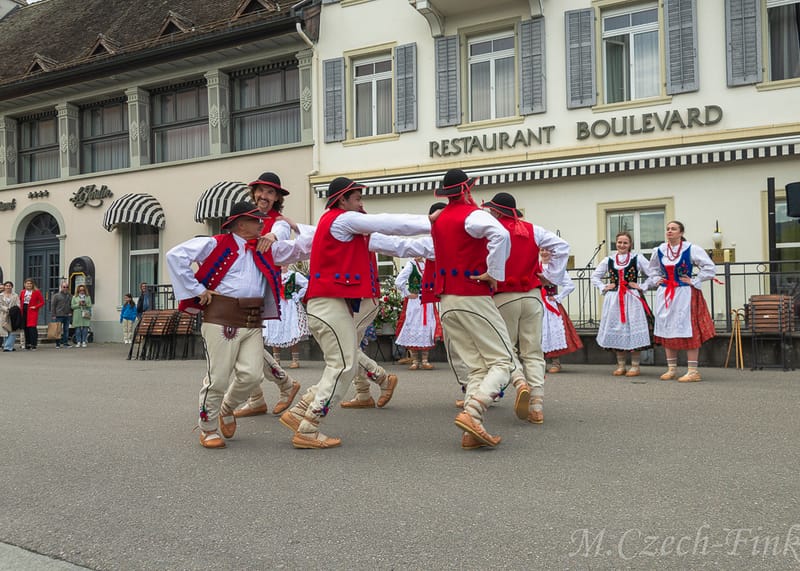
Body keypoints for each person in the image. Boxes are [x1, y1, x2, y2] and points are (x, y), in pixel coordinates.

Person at [278, 176, 431, 449]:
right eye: (357, 198)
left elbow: (399, 244)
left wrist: (439, 246)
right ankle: (309, 426)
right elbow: (387, 223)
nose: (362, 204)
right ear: (342, 200)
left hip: (331, 305)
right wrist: (436, 222)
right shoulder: (342, 220)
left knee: (342, 363)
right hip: (329, 304)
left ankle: (304, 412)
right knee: (344, 365)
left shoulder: (341, 228)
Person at [167, 201, 281, 449]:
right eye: (256, 220)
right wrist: (196, 289)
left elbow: (298, 242)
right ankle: (207, 427)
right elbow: (175, 255)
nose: (261, 223)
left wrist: (275, 234)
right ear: (241, 225)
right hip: (221, 318)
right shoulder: (215, 243)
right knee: (218, 378)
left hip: (252, 319)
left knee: (252, 375)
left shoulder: (262, 247)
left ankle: (226, 407)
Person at [429, 168, 516, 449]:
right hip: (472, 295)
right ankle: (473, 412)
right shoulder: (473, 214)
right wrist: (493, 272)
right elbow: (501, 234)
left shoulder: (440, 219)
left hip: (447, 299)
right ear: (467, 190)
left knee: (477, 366)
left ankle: (471, 431)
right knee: (503, 362)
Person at [484, 192, 569, 425]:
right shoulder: (533, 230)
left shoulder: (491, 230)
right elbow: (563, 246)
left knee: (504, 350)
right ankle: (537, 406)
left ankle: (519, 381)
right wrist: (550, 276)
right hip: (532, 296)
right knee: (533, 350)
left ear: (497, 211)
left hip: (504, 297)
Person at [230, 172, 301, 418]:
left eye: (270, 192)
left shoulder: (277, 220)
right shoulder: (246, 219)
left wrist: (272, 235)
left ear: (277, 198)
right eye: (260, 191)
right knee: (246, 342)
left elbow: (280, 231)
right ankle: (262, 395)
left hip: (258, 288)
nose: (264, 196)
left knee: (244, 341)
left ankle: (279, 387)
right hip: (241, 287)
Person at [646, 220, 716, 382]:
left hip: (685, 293)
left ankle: (693, 371)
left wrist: (695, 280)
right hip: (666, 294)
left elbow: (710, 267)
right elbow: (652, 269)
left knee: (688, 328)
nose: (670, 231)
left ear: (681, 233)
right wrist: (657, 279)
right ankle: (672, 369)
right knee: (667, 328)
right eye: (668, 229)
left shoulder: (691, 249)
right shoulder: (660, 250)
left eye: (674, 229)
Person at [591, 231, 653, 379]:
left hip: (632, 298)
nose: (622, 245)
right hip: (614, 299)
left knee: (632, 330)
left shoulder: (637, 258)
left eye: (625, 242)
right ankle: (621, 365)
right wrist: (604, 286)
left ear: (630, 244)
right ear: (616, 243)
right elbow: (594, 276)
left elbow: (653, 274)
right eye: (619, 242)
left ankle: (635, 366)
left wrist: (642, 286)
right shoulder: (609, 260)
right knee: (618, 329)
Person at [394, 256, 440, 370]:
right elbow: (399, 281)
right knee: (413, 326)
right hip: (415, 302)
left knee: (427, 327)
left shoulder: (429, 265)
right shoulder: (411, 265)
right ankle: (415, 360)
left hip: (427, 301)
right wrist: (407, 293)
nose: (418, 255)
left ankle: (425, 360)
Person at [541, 260, 583, 373]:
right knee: (538, 332)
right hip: (537, 302)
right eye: (542, 250)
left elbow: (570, 285)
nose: (544, 252)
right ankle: (540, 363)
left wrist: (558, 297)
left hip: (550, 303)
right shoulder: (535, 266)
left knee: (554, 332)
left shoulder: (556, 268)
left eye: (547, 250)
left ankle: (556, 362)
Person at [264, 266, 309, 369]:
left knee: (292, 332)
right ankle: (276, 361)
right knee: (275, 331)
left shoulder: (293, 275)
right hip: (276, 305)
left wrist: (298, 295)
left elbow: (307, 284)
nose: (282, 265)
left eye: (284, 263)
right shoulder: (272, 274)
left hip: (290, 305)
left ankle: (295, 360)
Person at [19, 278, 44, 350]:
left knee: (32, 328)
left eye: (30, 283)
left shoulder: (36, 292)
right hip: (24, 310)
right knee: (25, 328)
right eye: (27, 283)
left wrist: (35, 306)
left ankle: (33, 344)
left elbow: (42, 302)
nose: (29, 285)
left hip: (32, 311)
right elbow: (20, 300)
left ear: (33, 284)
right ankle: (28, 343)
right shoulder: (23, 292)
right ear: (25, 284)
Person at [50, 281, 73, 349]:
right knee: (58, 330)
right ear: (61, 287)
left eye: (67, 287)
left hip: (67, 315)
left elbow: (72, 305)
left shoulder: (70, 295)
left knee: (66, 330)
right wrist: (53, 314)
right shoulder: (56, 296)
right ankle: (58, 344)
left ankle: (65, 343)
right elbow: (53, 305)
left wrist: (71, 312)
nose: (65, 288)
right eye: (64, 287)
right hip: (58, 315)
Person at [1, 281, 20, 352]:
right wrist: (6, 309)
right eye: (7, 285)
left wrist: (12, 310)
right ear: (4, 287)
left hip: (13, 315)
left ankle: (7, 347)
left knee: (13, 330)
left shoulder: (15, 295)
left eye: (10, 286)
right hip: (3, 314)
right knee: (5, 330)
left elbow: (18, 304)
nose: (8, 287)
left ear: (12, 287)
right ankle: (9, 346)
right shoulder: (1, 295)